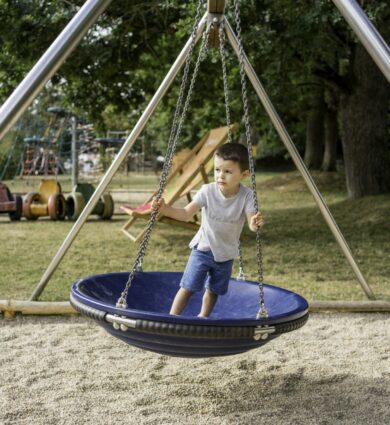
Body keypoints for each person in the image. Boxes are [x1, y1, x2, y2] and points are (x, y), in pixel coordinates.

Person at [153, 142, 265, 318]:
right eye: (217, 170)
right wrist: (166, 209)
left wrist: (255, 223)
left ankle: (203, 318)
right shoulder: (207, 191)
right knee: (188, 286)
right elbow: (185, 214)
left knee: (214, 290)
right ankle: (172, 317)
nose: (221, 175)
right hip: (203, 249)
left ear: (243, 174)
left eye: (228, 171)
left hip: (226, 254)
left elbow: (251, 221)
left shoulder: (247, 195)